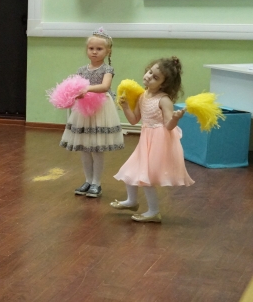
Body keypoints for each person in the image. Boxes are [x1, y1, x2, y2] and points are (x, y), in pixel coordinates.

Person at [112, 57, 194, 223]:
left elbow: (169, 126)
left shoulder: (164, 100)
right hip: (146, 139)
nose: (149, 77)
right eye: (150, 72)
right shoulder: (143, 96)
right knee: (130, 170)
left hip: (159, 141)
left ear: (163, 84)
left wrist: (176, 118)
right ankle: (131, 201)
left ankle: (154, 212)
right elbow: (134, 120)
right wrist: (126, 107)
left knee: (146, 176)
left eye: (155, 77)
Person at [59, 28, 124, 198]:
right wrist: (73, 94)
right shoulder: (82, 70)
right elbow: (76, 87)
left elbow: (105, 87)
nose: (94, 52)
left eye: (99, 49)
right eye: (91, 48)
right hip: (84, 110)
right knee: (85, 149)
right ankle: (88, 180)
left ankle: (97, 183)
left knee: (96, 148)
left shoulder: (107, 69)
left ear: (108, 51)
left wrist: (87, 89)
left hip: (101, 109)